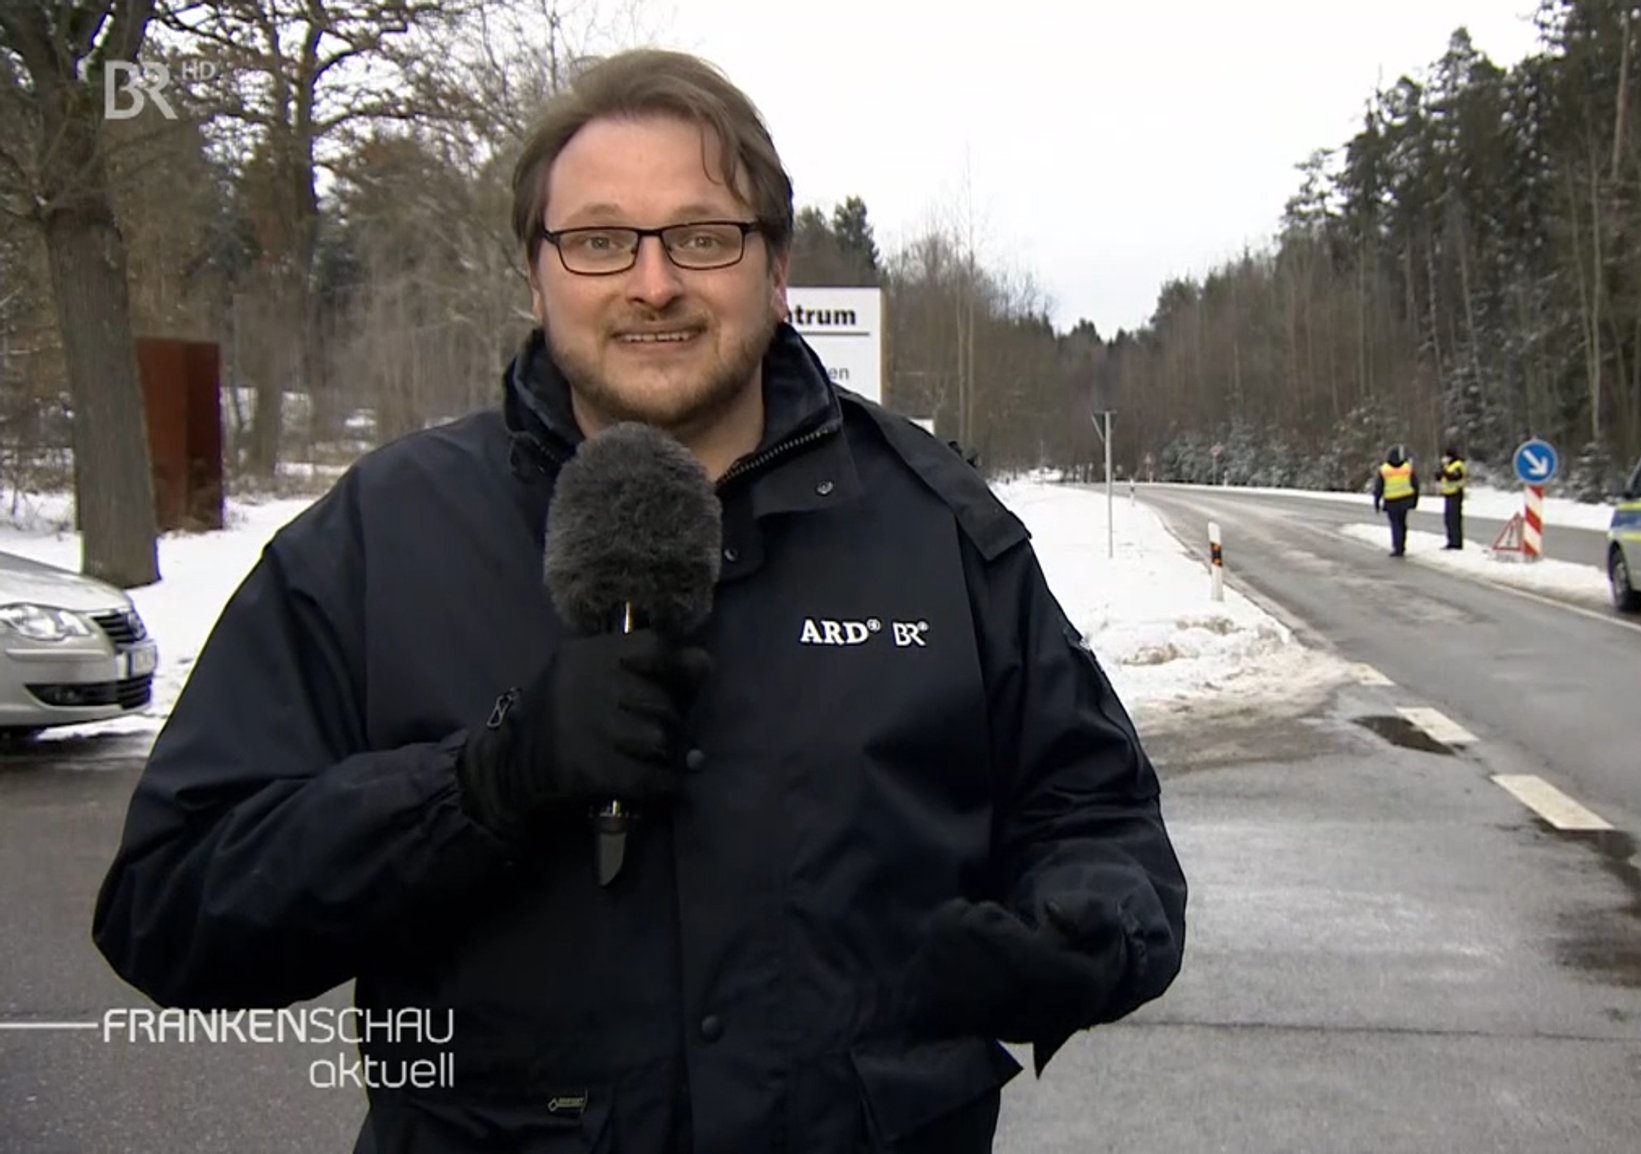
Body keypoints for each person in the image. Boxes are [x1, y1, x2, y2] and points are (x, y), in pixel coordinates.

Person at [90, 48, 1186, 1154]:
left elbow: (1094, 817)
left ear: (773, 267)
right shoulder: (385, 534)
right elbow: (170, 905)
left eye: (703, 236)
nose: (652, 282)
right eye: (600, 239)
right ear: (537, 271)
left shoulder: (937, 527)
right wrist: (477, 787)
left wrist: (1087, 926)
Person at [1372, 444, 1418, 556]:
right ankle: (1402, 545)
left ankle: (1397, 547)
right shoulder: (1407, 468)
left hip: (1391, 501)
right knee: (1402, 523)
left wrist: (1377, 502)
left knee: (1395, 524)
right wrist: (1415, 500)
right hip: (1405, 499)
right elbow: (1415, 485)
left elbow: (1379, 488)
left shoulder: (1384, 470)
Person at [1437, 445, 1467, 550]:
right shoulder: (1448, 465)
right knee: (1448, 519)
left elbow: (1455, 477)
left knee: (1454, 519)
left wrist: (1445, 473)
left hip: (1456, 493)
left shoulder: (1458, 465)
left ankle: (1456, 543)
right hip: (1448, 494)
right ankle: (1451, 541)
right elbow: (1443, 476)